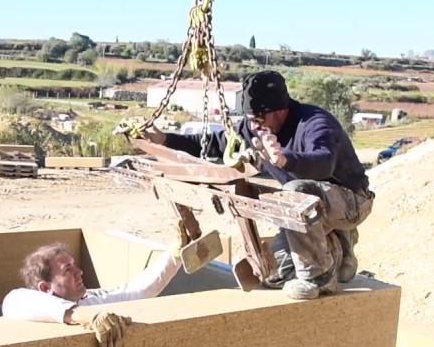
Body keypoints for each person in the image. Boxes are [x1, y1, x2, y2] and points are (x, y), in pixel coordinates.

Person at [126, 70, 374, 301]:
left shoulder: (314, 123)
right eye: (250, 119)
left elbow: (324, 164)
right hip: (307, 212)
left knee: (295, 192)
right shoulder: (254, 127)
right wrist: (164, 139)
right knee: (273, 274)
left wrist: (286, 160)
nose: (254, 125)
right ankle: (338, 247)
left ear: (280, 110)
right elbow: (215, 143)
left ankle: (319, 278)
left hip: (351, 201)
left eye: (258, 118)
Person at [0, 233, 185, 347]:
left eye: (74, 265)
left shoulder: (89, 300)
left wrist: (174, 255)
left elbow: (136, 292)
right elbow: (18, 300)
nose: (79, 272)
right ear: (45, 288)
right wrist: (87, 316)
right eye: (67, 270)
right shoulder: (21, 301)